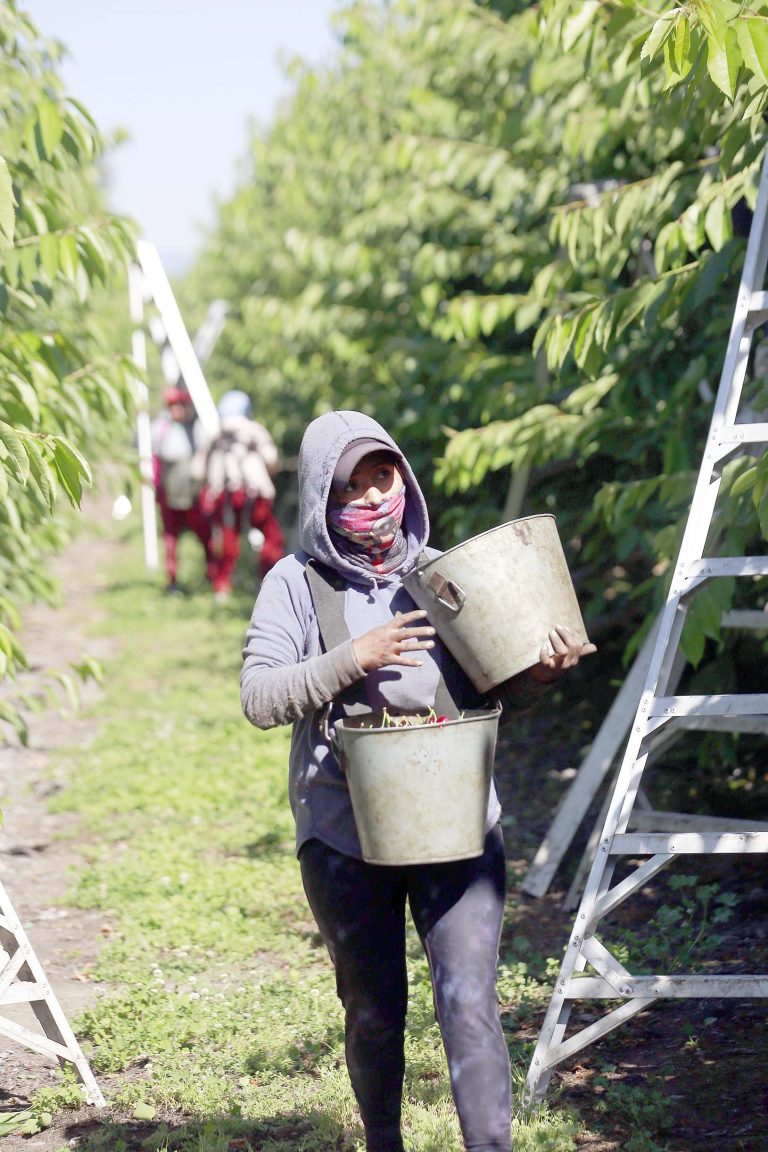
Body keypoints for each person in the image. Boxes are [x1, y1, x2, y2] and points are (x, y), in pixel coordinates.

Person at [240, 410, 595, 1152]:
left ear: (404, 475)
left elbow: (494, 695)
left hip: (455, 818)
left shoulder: (445, 574)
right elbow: (260, 697)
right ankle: (384, 1143)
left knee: (469, 1001)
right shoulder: (295, 584)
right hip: (343, 828)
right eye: (352, 485)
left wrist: (541, 670)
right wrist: (354, 657)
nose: (374, 497)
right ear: (319, 497)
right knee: (374, 1007)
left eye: (384, 475)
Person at [197, 389, 285, 600]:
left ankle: (222, 586)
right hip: (255, 494)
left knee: (227, 539)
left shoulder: (215, 434)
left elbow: (198, 470)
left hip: (224, 495)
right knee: (271, 537)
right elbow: (271, 459)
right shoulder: (255, 430)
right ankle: (266, 581)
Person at [150, 386, 215, 594]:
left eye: (180, 406)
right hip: (169, 495)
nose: (177, 410)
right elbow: (154, 463)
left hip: (194, 494)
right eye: (173, 406)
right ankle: (172, 580)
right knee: (170, 540)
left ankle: (212, 575)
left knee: (205, 534)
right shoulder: (160, 430)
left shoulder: (197, 429)